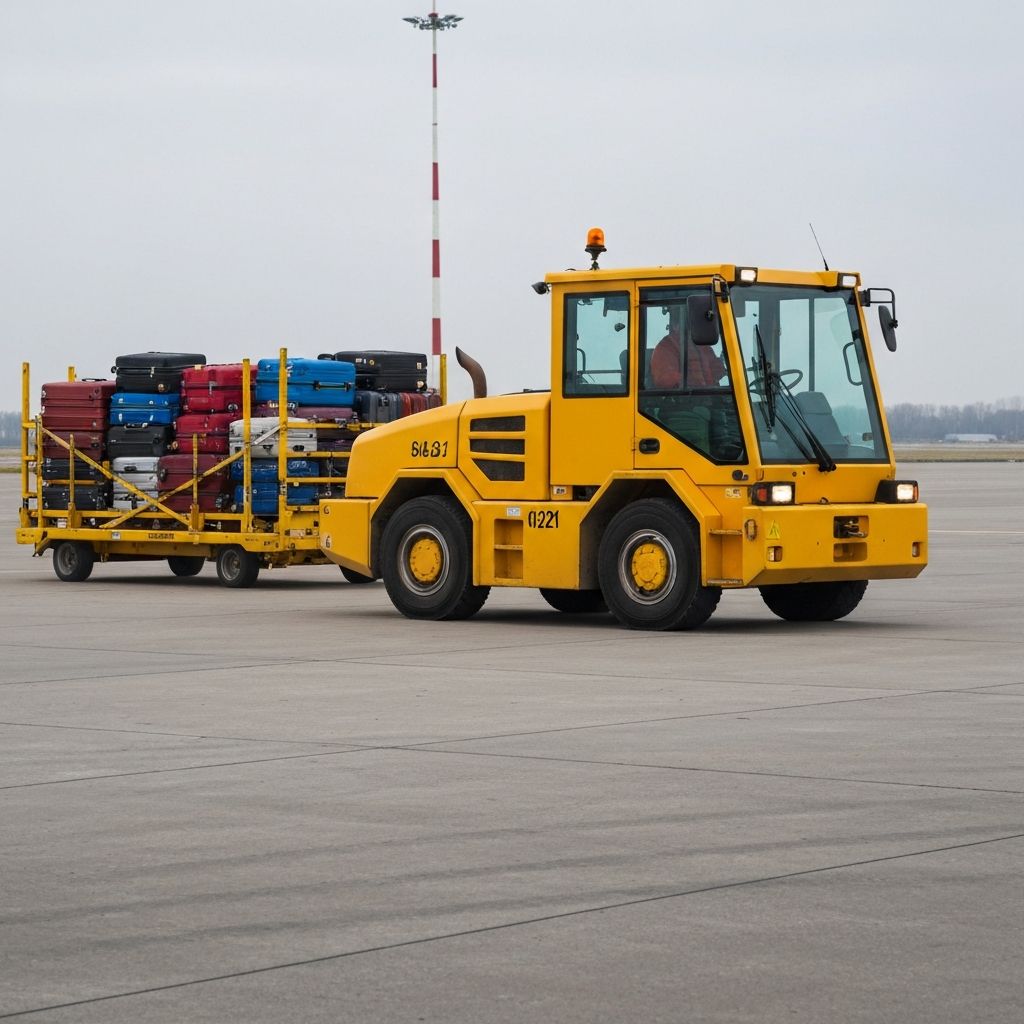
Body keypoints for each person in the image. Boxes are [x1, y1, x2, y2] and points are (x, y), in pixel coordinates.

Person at [649, 308, 727, 389]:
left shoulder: (702, 345)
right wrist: (695, 384)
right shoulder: (666, 347)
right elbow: (665, 379)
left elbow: (715, 371)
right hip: (684, 399)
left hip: (708, 396)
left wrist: (722, 364)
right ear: (677, 325)